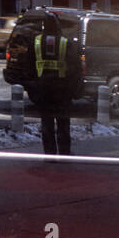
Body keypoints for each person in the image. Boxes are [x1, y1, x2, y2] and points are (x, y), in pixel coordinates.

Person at [30, 13, 82, 156]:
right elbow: (75, 68)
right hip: (62, 90)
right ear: (58, 26)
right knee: (63, 123)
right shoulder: (66, 43)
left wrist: (33, 87)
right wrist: (76, 89)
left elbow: (29, 67)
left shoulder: (36, 42)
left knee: (47, 123)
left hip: (44, 90)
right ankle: (64, 152)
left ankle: (49, 154)